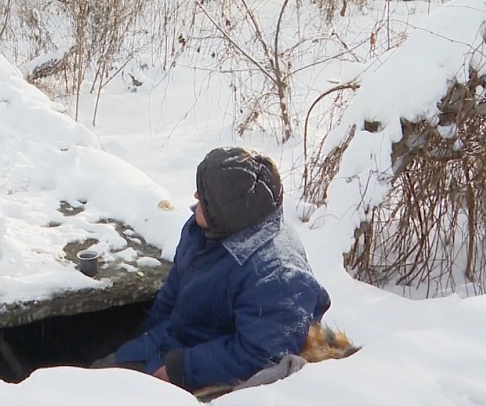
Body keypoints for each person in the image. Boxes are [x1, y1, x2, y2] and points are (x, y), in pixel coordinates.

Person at [94, 147, 332, 393]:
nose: (196, 195)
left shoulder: (277, 276)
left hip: (208, 376)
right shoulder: (205, 229)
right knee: (90, 380)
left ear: (230, 209)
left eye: (206, 196)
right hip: (167, 344)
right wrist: (141, 337)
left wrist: (181, 369)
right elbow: (173, 292)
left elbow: (262, 355)